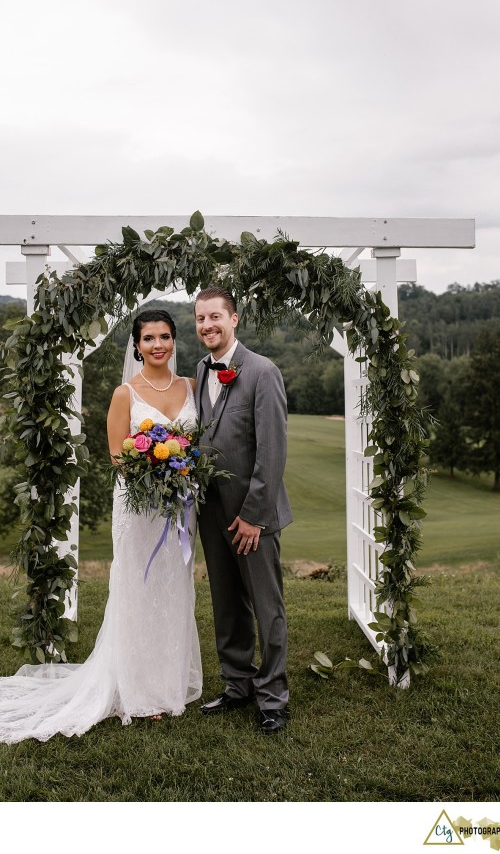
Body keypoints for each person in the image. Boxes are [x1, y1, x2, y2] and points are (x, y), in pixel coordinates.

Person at [0, 310, 202, 743]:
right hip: (138, 509)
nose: (158, 345)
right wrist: (154, 470)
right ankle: (140, 690)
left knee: (174, 586)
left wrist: (181, 473)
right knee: (138, 588)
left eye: (165, 336)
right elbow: (117, 455)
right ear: (136, 345)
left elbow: (199, 444)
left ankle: (168, 683)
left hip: (180, 509)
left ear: (174, 341)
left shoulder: (191, 386)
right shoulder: (125, 394)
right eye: (148, 338)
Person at [194, 285, 292, 735]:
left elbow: (271, 451)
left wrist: (254, 515)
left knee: (266, 607)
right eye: (200, 319)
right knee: (226, 604)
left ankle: (273, 697)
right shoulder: (200, 368)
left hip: (253, 516)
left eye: (215, 317)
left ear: (234, 319)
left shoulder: (262, 371)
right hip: (212, 513)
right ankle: (238, 685)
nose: (207, 326)